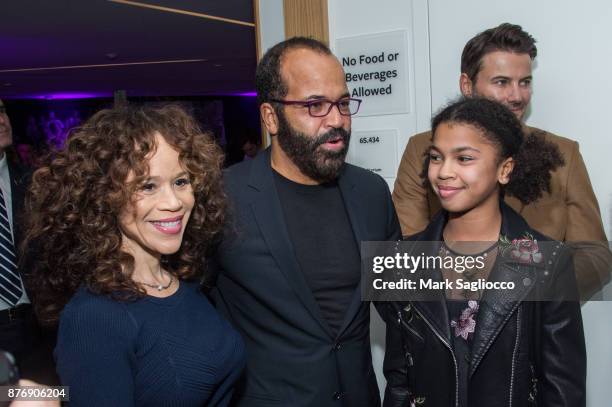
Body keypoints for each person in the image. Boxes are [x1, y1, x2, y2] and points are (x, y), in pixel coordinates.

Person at [212, 37, 401, 406]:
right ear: (271, 117)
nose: (337, 120)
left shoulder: (371, 192)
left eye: (343, 103)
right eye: (315, 105)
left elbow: (404, 310)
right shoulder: (222, 197)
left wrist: (400, 392)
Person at [24, 104, 245, 406]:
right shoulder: (95, 317)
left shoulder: (185, 282)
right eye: (148, 186)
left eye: (181, 181)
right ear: (106, 196)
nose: (173, 203)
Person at [380, 98, 585, 407]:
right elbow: (399, 380)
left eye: (463, 158)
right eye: (436, 157)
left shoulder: (549, 261)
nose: (444, 171)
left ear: (505, 169)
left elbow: (562, 389)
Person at [392, 23, 610, 299]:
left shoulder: (563, 154)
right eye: (501, 82)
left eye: (525, 82)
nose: (517, 96)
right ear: (467, 85)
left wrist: (533, 293)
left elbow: (595, 254)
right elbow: (407, 247)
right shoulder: (423, 148)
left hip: (535, 329)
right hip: (448, 323)